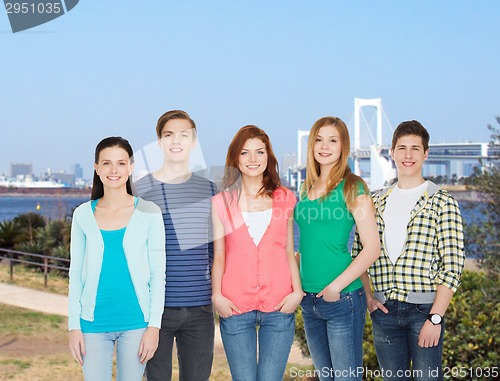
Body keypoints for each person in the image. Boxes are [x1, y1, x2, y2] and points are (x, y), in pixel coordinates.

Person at [353, 120, 465, 381]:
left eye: (415, 148)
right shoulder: (375, 201)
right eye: (402, 148)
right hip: (384, 312)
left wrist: (435, 318)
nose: (408, 155)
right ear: (392, 153)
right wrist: (369, 298)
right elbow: (359, 254)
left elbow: (453, 265)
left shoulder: (442, 202)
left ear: (426, 154)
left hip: (424, 313)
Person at [68, 136, 166, 381]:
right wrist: (74, 326)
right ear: (97, 168)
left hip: (136, 323)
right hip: (92, 324)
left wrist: (154, 327)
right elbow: (75, 274)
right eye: (107, 163)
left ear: (131, 167)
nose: (114, 170)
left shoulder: (150, 212)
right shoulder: (82, 215)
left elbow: (158, 275)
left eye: (121, 163)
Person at [211, 125, 303, 381]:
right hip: (235, 305)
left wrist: (297, 292)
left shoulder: (285, 198)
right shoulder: (221, 202)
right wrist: (216, 296)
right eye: (245, 153)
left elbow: (288, 249)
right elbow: (220, 255)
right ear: (235, 159)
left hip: (279, 303)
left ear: (268, 157)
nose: (253, 159)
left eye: (259, 152)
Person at [294, 116, 380, 381]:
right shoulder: (304, 189)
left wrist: (335, 288)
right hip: (309, 301)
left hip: (342, 299)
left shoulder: (353, 186)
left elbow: (372, 248)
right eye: (319, 140)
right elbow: (306, 246)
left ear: (344, 147)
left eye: (333, 140)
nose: (325, 146)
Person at [133, 110, 216, 381]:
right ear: (159, 142)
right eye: (169, 135)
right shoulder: (140, 189)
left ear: (194, 141)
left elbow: (215, 250)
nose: (176, 141)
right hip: (154, 311)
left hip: (200, 309)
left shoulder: (209, 189)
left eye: (184, 134)